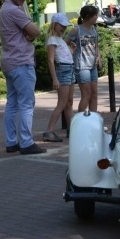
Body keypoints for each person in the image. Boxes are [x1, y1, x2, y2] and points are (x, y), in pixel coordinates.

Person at [0, 0, 46, 155]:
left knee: (12, 103)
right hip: (21, 61)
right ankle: (26, 142)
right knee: (26, 103)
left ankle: (11, 142)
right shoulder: (14, 11)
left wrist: (28, 34)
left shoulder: (4, 9)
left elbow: (28, 33)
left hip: (9, 61)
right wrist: (30, 33)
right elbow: (36, 31)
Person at [42, 13, 75, 143]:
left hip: (69, 68)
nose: (64, 28)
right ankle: (49, 131)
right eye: (61, 26)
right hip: (63, 70)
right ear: (55, 24)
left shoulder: (60, 39)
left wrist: (71, 51)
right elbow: (51, 60)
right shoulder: (52, 39)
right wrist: (55, 78)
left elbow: (62, 55)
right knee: (62, 103)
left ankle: (71, 129)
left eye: (65, 26)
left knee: (69, 102)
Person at [66, 5, 102, 113]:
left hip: (92, 65)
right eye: (95, 15)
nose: (97, 17)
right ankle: (80, 120)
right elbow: (64, 44)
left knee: (94, 93)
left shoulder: (94, 29)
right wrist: (71, 49)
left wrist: (99, 57)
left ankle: (93, 120)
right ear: (88, 16)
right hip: (82, 66)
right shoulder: (77, 30)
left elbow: (96, 45)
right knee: (86, 94)